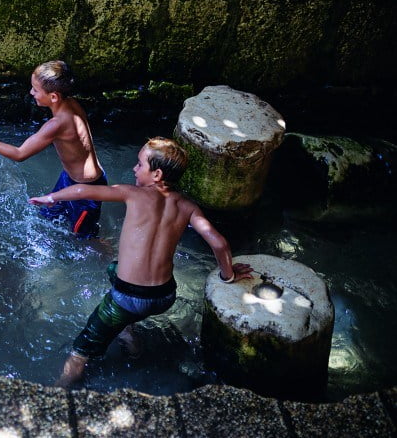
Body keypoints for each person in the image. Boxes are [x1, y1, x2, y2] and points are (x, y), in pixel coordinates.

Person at [28, 137, 253, 387]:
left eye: (139, 164)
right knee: (114, 269)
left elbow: (82, 190)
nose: (135, 169)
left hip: (127, 299)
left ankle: (60, 389)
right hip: (164, 296)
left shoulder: (132, 194)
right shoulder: (188, 207)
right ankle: (131, 340)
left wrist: (51, 198)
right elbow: (219, 243)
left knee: (80, 351)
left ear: (156, 174)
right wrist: (228, 276)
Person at [0, 60, 107, 237]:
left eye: (35, 90)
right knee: (48, 216)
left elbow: (20, 154)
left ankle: (108, 254)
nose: (31, 93)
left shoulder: (57, 124)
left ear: (54, 97)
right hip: (69, 177)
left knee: (85, 238)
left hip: (87, 190)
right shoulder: (70, 102)